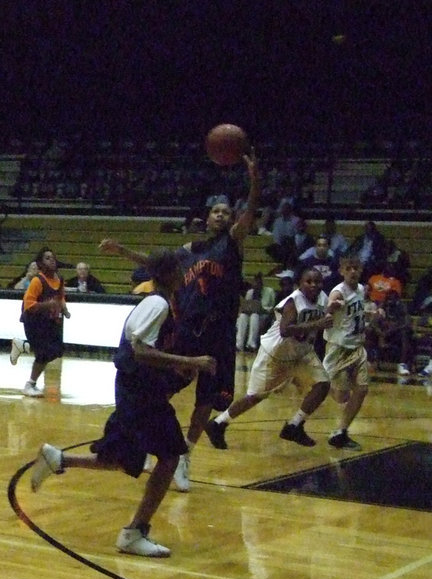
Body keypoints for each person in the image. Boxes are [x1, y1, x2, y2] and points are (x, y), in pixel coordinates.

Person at [29, 250, 216, 558]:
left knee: (125, 458)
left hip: (140, 389)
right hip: (139, 390)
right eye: (181, 270)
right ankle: (134, 532)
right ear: (170, 274)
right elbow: (140, 351)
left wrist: (175, 367)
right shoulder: (157, 304)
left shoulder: (163, 303)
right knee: (170, 456)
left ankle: (59, 459)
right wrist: (189, 361)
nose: (185, 275)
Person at [99, 151, 260, 491]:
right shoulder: (190, 250)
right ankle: (151, 444)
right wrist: (122, 251)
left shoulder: (232, 244)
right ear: (207, 217)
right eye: (216, 211)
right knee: (161, 387)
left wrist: (254, 179)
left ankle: (184, 456)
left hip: (219, 330)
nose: (221, 215)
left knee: (206, 399)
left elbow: (249, 213)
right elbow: (157, 264)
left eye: (226, 212)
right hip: (187, 329)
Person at [205, 266, 332, 450]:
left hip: (301, 352)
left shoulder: (323, 298)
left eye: (318, 281)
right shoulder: (293, 301)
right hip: (275, 354)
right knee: (255, 397)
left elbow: (324, 316)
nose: (314, 285)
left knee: (323, 384)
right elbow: (285, 330)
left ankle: (294, 425)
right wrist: (317, 324)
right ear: (299, 284)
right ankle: (218, 423)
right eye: (309, 281)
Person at [323, 255, 374, 449]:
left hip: (357, 347)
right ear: (341, 271)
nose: (353, 271)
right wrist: (331, 307)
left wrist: (370, 315)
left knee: (362, 389)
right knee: (341, 397)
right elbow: (328, 309)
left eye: (356, 268)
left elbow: (354, 314)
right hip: (339, 348)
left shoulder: (361, 289)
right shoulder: (338, 291)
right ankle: (318, 382)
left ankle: (341, 432)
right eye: (349, 268)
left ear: (360, 270)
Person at [9, 247, 69, 397]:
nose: (52, 260)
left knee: (56, 351)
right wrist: (47, 305)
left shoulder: (59, 279)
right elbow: (29, 305)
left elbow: (60, 296)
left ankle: (23, 346)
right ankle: (30, 384)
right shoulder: (37, 281)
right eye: (47, 258)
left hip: (49, 320)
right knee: (43, 353)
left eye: (53, 257)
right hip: (33, 320)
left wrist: (64, 309)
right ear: (41, 264)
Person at [235, 273, 277, 351]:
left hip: (264, 315)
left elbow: (273, 307)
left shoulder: (270, 291)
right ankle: (239, 344)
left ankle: (251, 344)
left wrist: (263, 309)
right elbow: (247, 305)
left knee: (254, 316)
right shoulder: (250, 292)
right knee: (243, 316)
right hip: (250, 314)